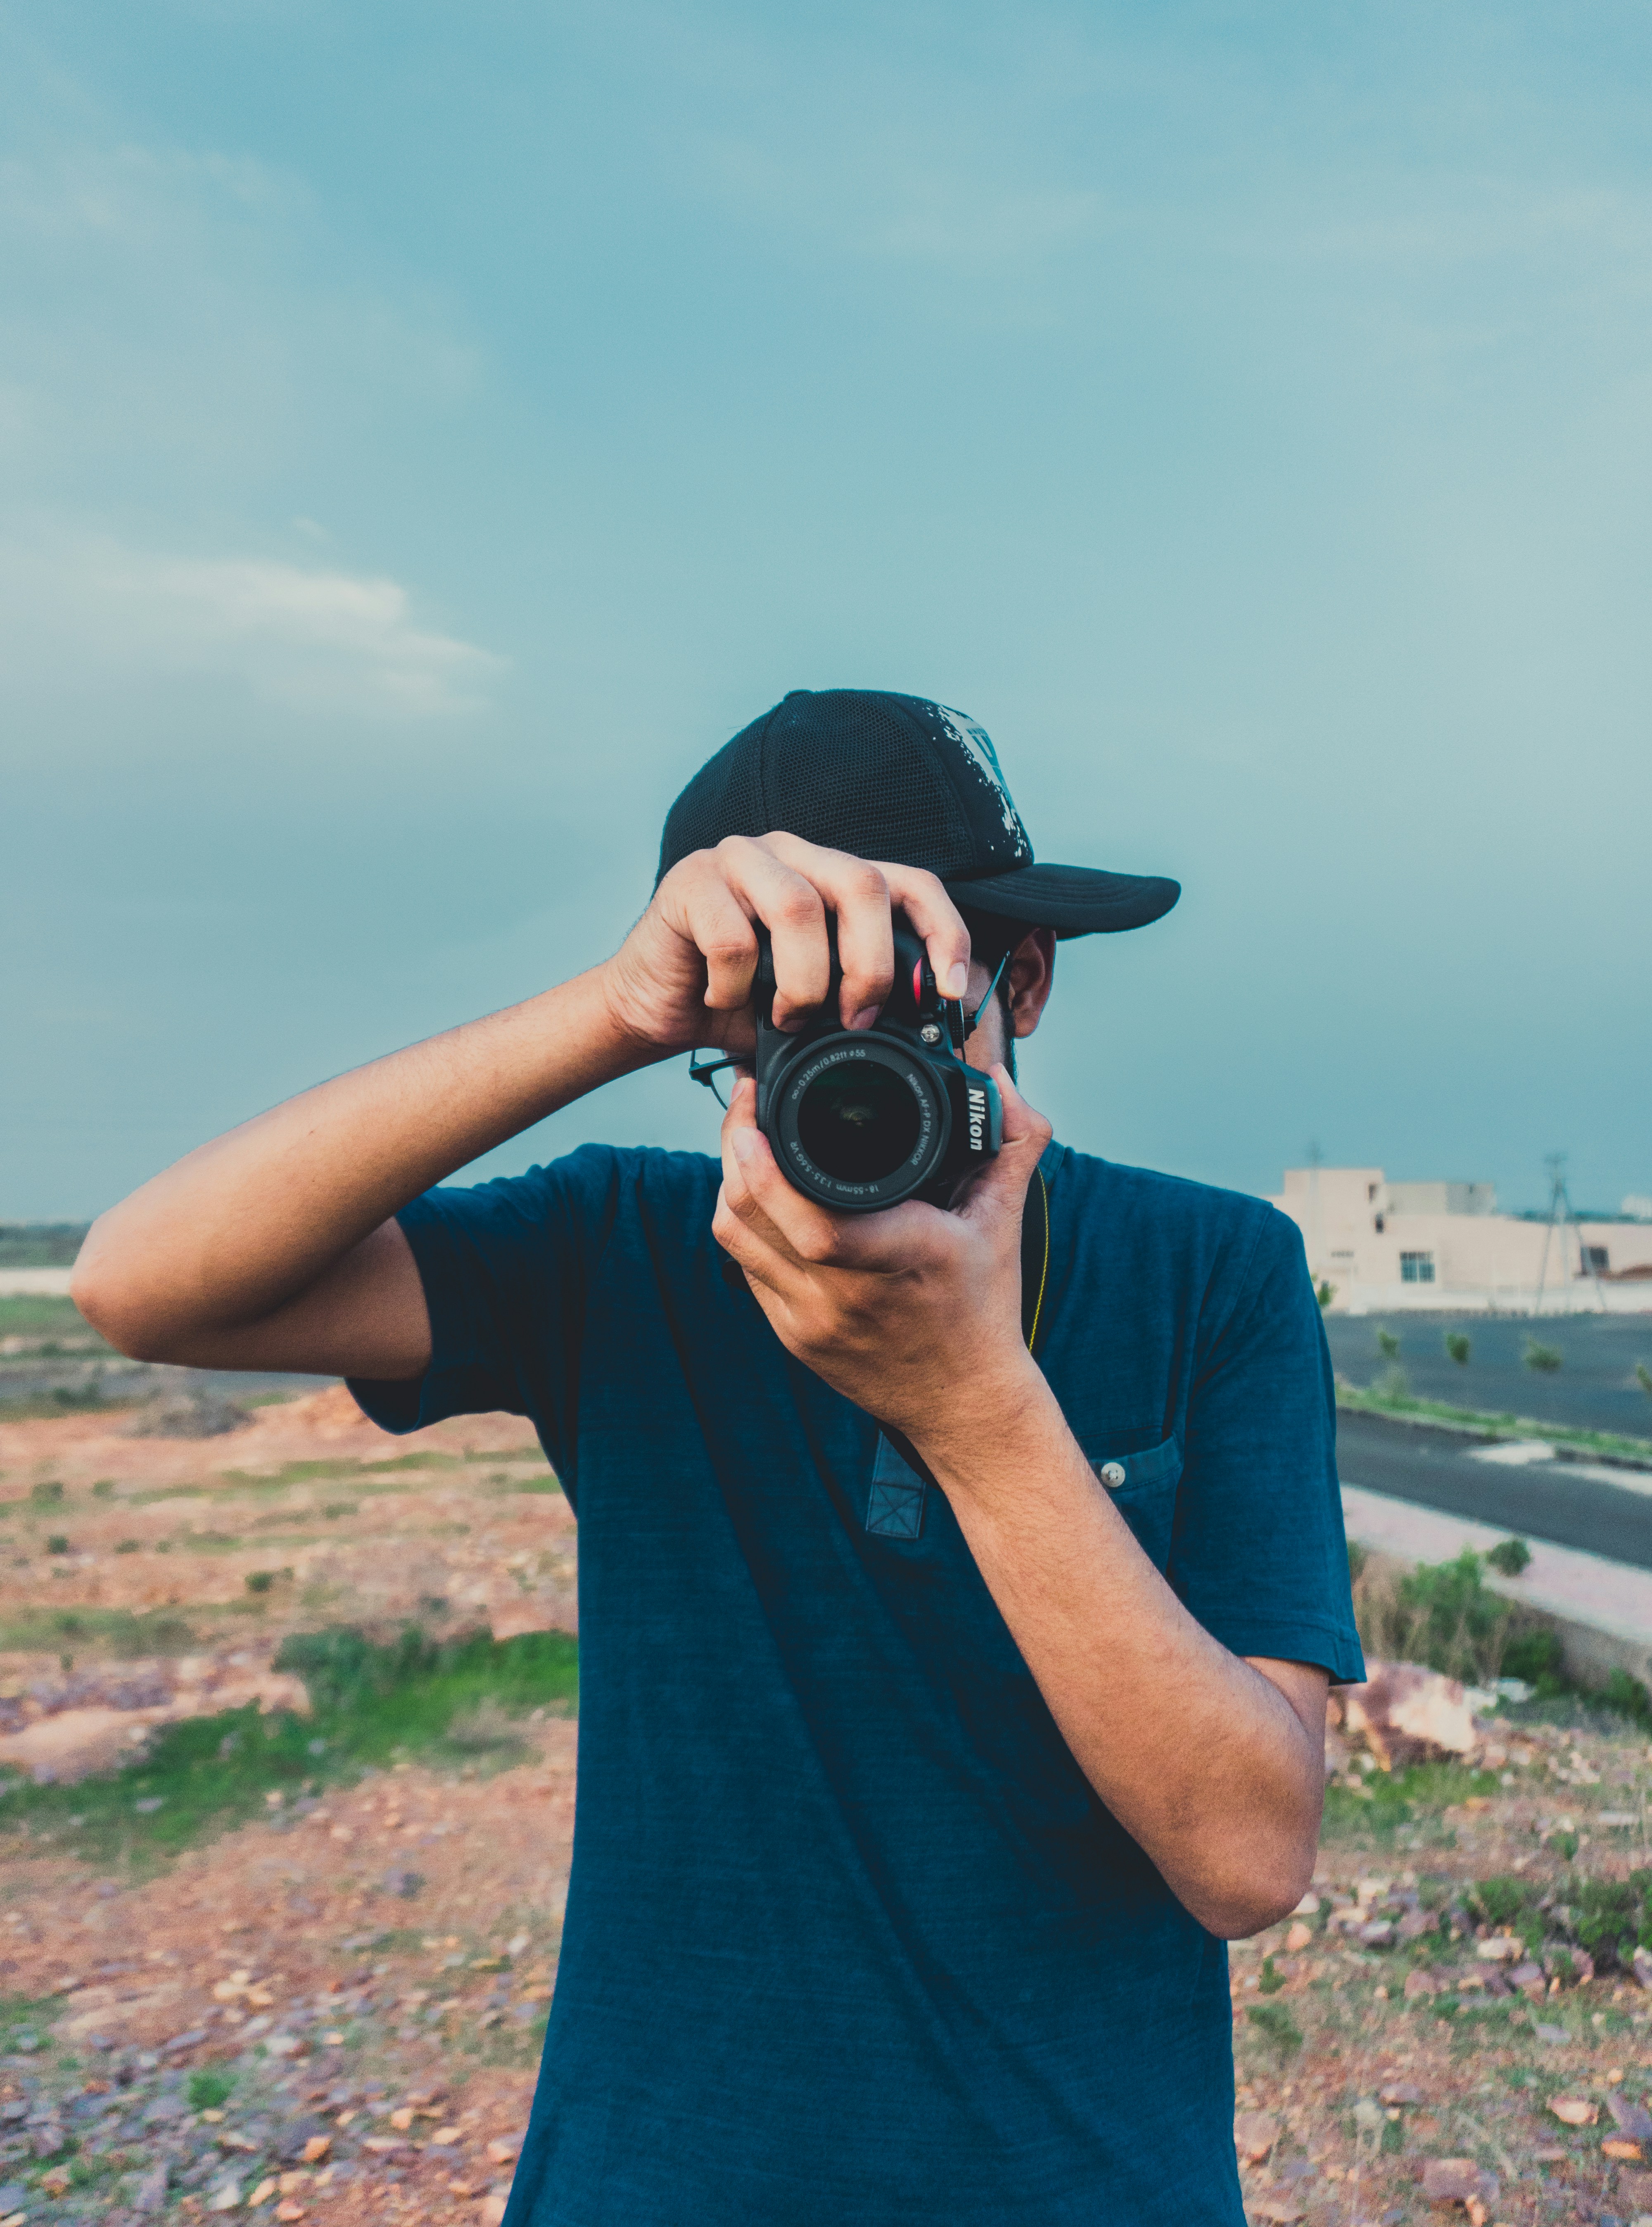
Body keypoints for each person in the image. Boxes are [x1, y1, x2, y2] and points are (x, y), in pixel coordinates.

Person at [75, 688, 1362, 2227]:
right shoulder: (621, 1250)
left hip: (1086, 2185)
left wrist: (976, 1409)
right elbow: (140, 1284)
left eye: (901, 1010)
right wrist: (613, 1008)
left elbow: (1247, 1856)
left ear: (1019, 979)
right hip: (662, 2179)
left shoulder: (1211, 1270)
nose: (848, 1081)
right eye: (785, 1037)